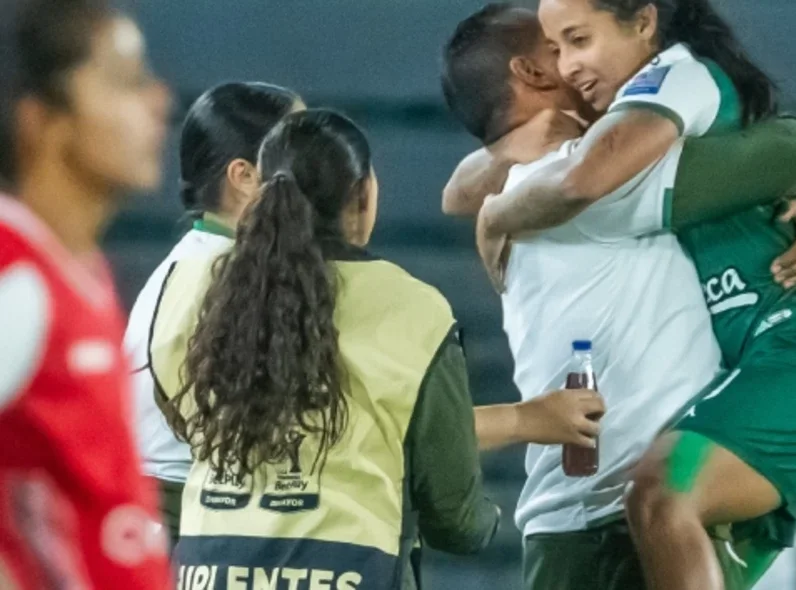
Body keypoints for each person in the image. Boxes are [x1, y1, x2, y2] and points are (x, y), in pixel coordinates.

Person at [475, 1, 796, 588]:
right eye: (557, 49)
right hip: (756, 372)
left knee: (663, 495)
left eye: (578, 40)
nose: (568, 66)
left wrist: (495, 216)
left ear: (643, 22)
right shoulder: (635, 141)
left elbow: (579, 181)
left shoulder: (669, 86)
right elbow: (791, 147)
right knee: (668, 507)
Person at [147, 109, 500, 588]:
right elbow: (454, 519)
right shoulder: (413, 309)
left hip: (207, 567)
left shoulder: (197, 287)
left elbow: (180, 415)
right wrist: (486, 520)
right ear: (363, 195)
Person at [0, 0, 173, 588]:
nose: (158, 101)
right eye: (126, 82)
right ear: (39, 118)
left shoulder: (78, 268)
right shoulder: (13, 273)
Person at [123, 80, 304, 546]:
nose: (320, 160)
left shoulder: (207, 262)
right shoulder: (221, 275)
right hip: (185, 523)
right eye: (299, 145)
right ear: (243, 176)